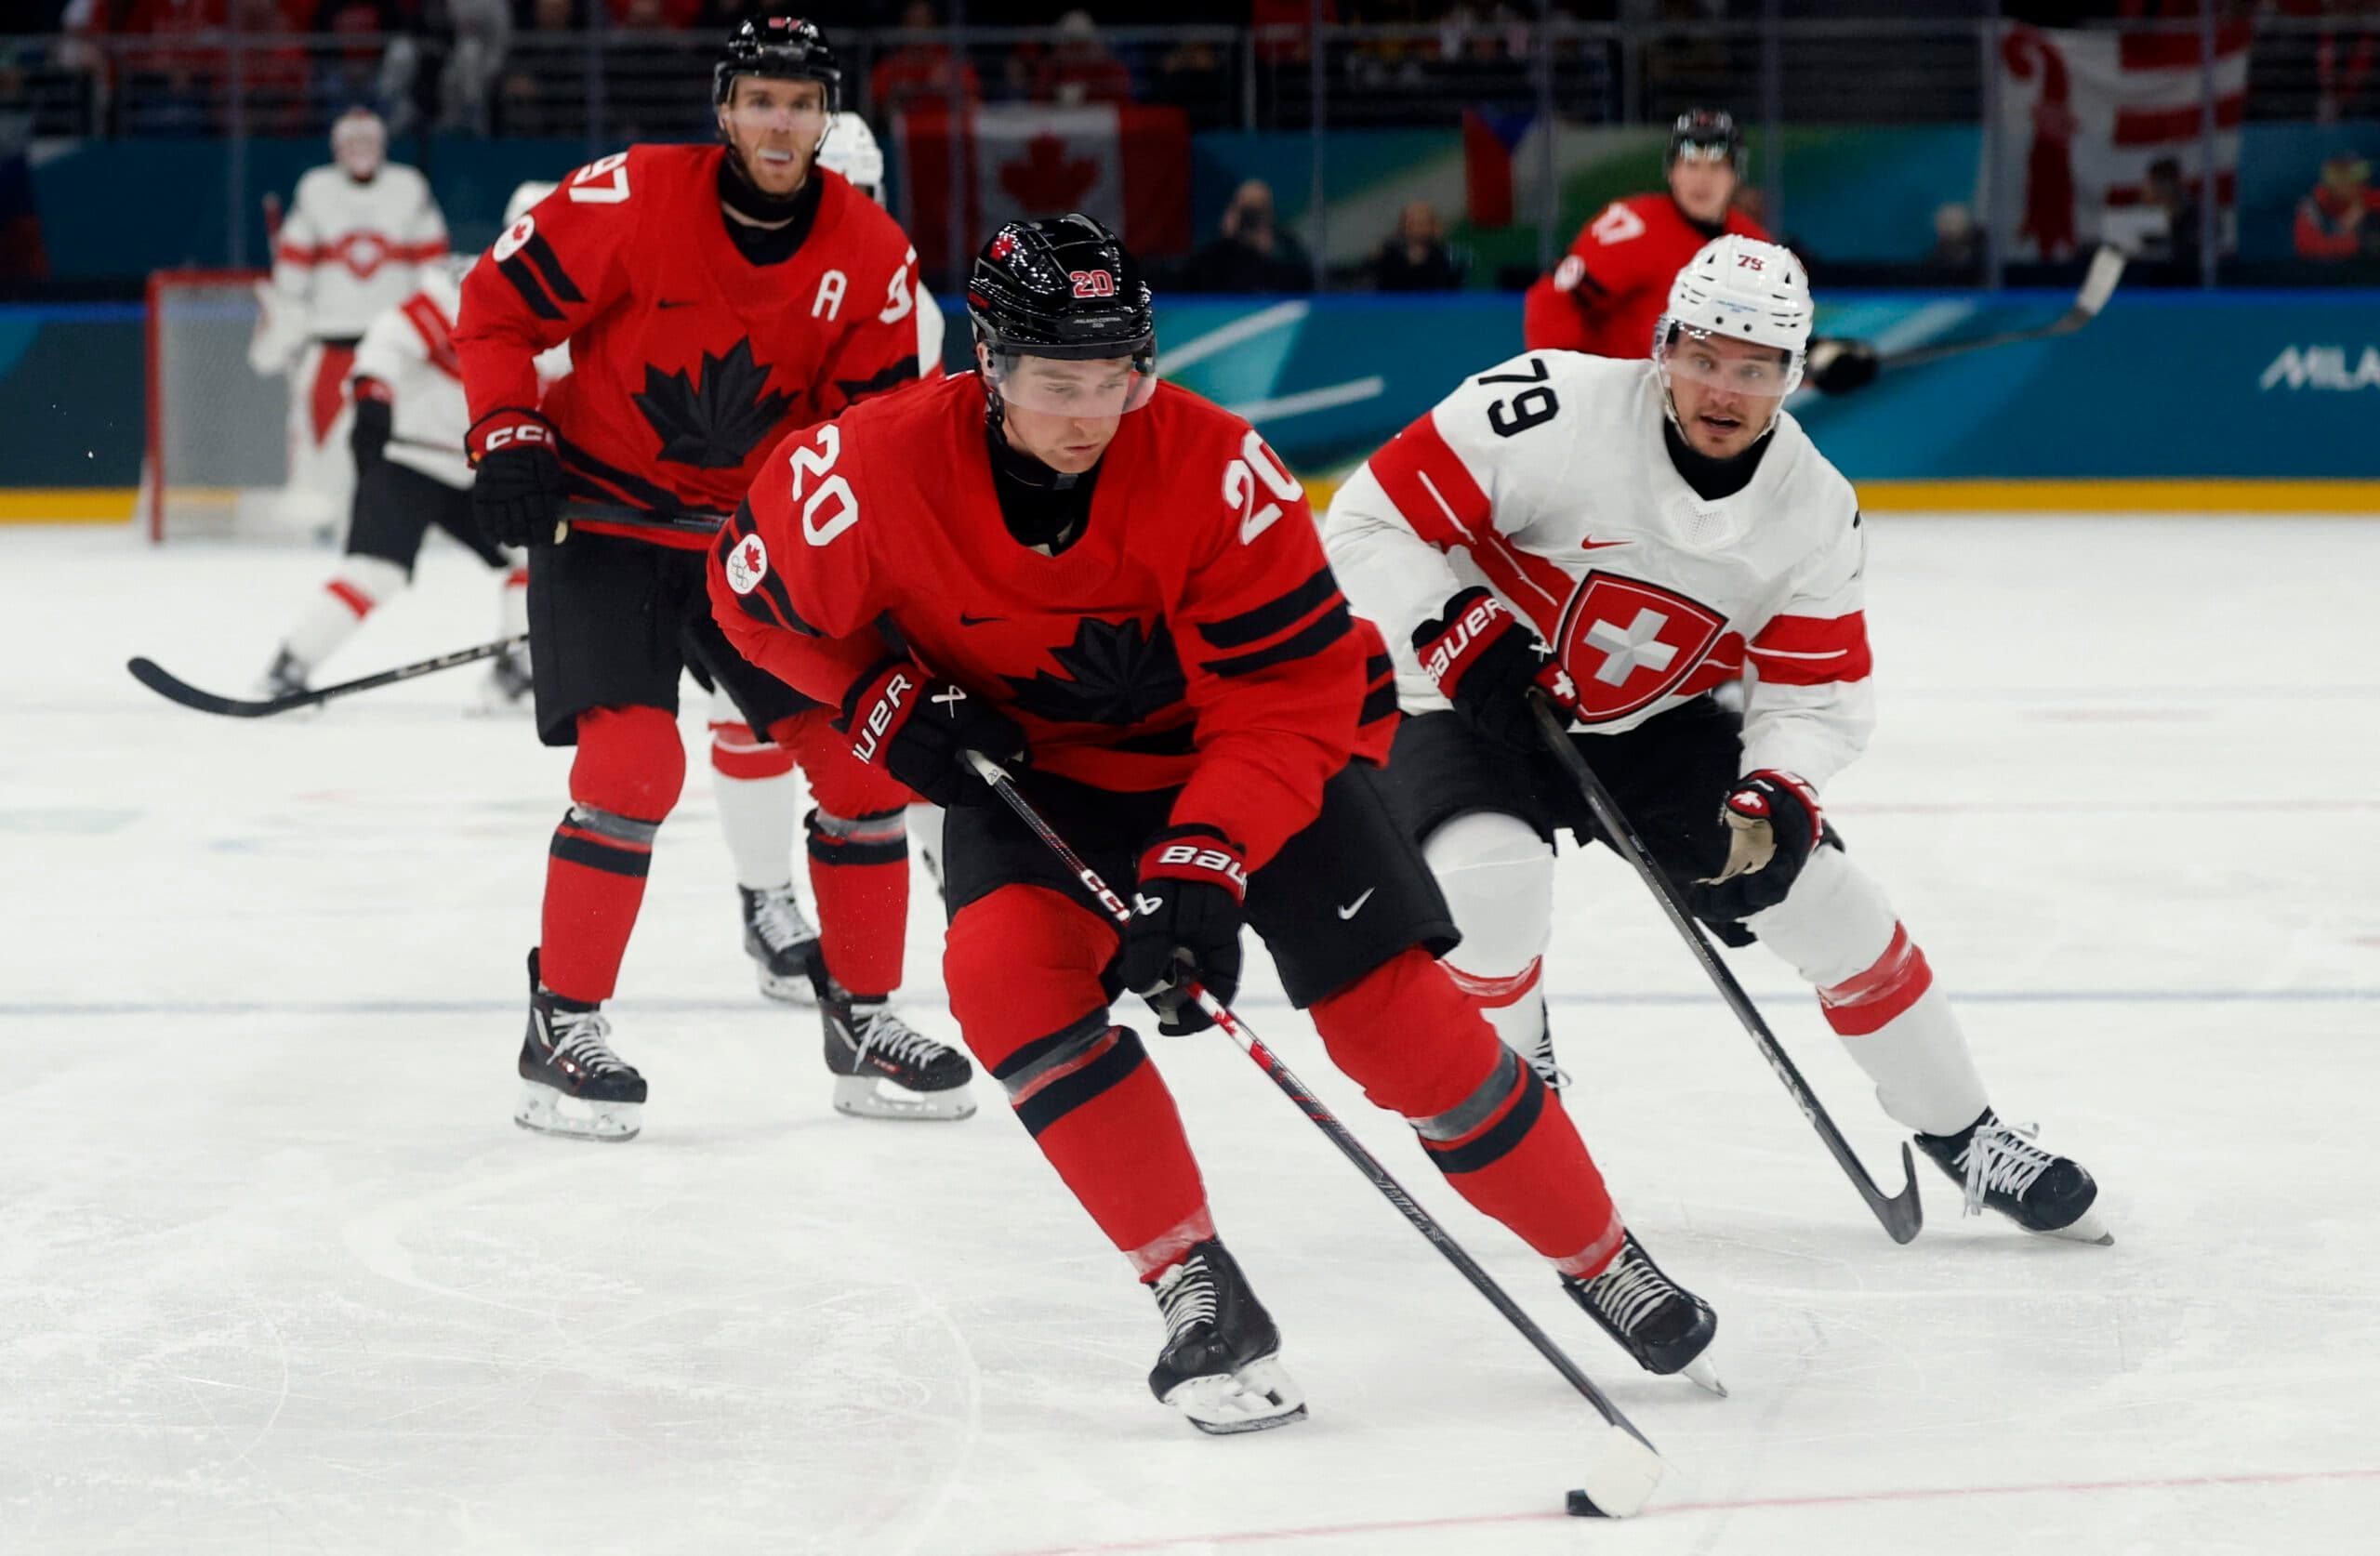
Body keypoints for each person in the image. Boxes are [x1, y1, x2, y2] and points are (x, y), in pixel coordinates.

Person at [707, 213, 1721, 1432]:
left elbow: (1289, 698)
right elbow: (746, 597)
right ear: (986, 364)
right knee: (1003, 981)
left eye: (1117, 380)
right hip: (1042, 769)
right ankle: (1192, 1281)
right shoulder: (868, 468)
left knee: (1393, 1028)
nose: (1089, 413)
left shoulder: (1218, 471)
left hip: (1243, 759)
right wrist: (871, 697)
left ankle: (1600, 1252)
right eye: (1054, 382)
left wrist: (1205, 862)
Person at [1321, 234, 2110, 1246]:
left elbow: (1812, 689)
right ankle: (1512, 1099)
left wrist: (1778, 787)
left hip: (1650, 725)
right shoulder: (1548, 411)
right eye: (1700, 358)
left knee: (1825, 901)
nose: (1721, 389)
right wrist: (1450, 622)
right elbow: (1366, 520)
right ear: (1661, 346)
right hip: (1459, 697)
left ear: (1792, 374)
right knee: (1489, 879)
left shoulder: (1814, 509)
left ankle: (1965, 1131)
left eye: (1752, 369)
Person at [455, 13, 971, 1142]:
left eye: (801, 103)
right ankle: (564, 1025)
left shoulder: (875, 258)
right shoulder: (629, 195)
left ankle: (864, 1015)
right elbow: (496, 309)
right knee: (634, 763)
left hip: (754, 544)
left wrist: (878, 585)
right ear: (726, 109)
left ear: (823, 118)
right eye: (761, 100)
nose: (780, 122)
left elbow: (870, 443)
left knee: (858, 763)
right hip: (608, 523)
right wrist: (506, 432)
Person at [698, 109, 952, 1003]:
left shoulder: (903, 300)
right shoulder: (725, 276)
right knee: (752, 719)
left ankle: (976, 892)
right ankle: (767, 898)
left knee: (922, 716)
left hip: (866, 547)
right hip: (740, 543)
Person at [258, 179, 562, 710]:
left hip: (485, 471)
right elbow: (392, 337)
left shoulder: (575, 316)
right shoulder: (464, 285)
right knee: (376, 572)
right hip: (410, 458)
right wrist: (373, 392)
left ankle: (518, 670)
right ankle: (290, 667)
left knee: (536, 557)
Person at [1523, 108, 1875, 395]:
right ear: (1672, 172)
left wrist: (1823, 358)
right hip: (1618, 414)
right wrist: (1565, 388)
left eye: (1716, 166)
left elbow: (1765, 340)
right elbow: (1554, 300)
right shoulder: (1632, 227)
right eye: (1691, 165)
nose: (1702, 180)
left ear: (1735, 175)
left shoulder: (1755, 245)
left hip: (1693, 424)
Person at [249, 106, 448, 535]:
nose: (360, 151)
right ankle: (325, 518)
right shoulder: (317, 189)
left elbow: (432, 271)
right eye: (351, 142)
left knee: (404, 440)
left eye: (368, 141)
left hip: (394, 349)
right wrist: (285, 315)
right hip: (331, 345)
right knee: (321, 444)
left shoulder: (409, 188)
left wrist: (429, 332)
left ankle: (401, 519)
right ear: (337, 147)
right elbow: (293, 274)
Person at [1182, 179, 1314, 294]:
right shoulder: (1216, 251)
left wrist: (1272, 250)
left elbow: (1306, 281)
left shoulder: (1286, 246)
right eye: (1246, 211)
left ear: (1270, 213)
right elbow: (1192, 280)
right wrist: (1226, 239)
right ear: (1234, 209)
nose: (1250, 219)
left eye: (1256, 211)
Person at [2294, 150, 2380, 262]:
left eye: (2361, 174)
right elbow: (2308, 248)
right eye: (2352, 178)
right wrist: (2359, 242)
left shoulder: (2366, 197)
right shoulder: (2312, 210)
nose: (2358, 184)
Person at [1369, 200, 1461, 292]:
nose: (1415, 230)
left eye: (1421, 224)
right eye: (1410, 224)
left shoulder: (1448, 257)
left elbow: (1450, 290)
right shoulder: (1388, 254)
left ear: (1434, 228)